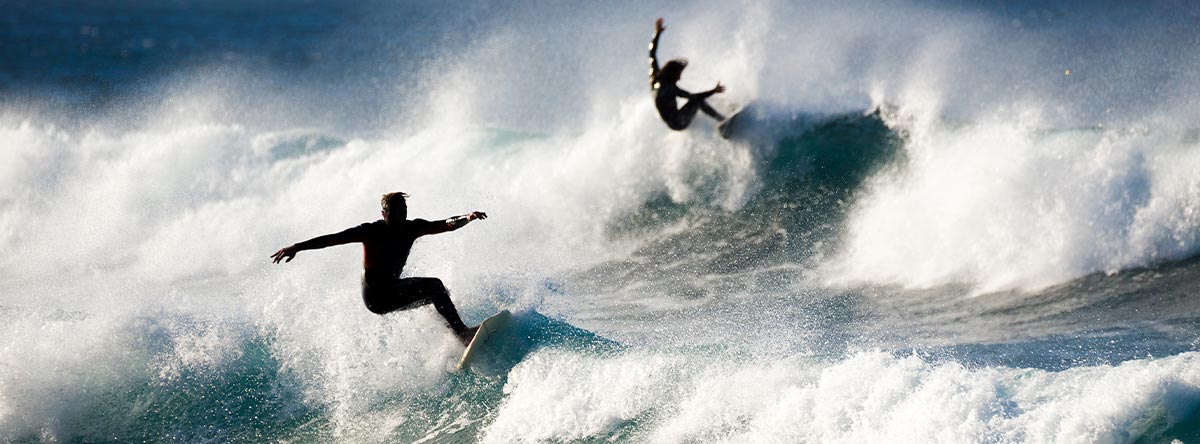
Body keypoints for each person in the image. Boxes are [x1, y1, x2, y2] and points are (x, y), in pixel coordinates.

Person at [270, 192, 487, 344]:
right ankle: (462, 334)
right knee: (434, 286)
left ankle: (456, 336)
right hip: (376, 297)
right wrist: (297, 247)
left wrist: (467, 218)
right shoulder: (371, 232)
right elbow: (332, 239)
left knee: (436, 294)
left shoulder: (412, 228)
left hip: (393, 288)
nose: (400, 217)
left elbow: (445, 224)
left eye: (403, 212)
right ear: (384, 214)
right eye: (395, 213)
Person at [649, 17, 726, 131]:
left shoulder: (655, 77)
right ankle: (722, 120)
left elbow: (652, 54)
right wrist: (713, 91)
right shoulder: (669, 89)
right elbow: (694, 97)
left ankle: (726, 107)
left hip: (675, 118)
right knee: (698, 100)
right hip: (678, 123)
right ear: (672, 74)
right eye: (679, 74)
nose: (680, 77)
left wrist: (657, 33)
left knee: (701, 98)